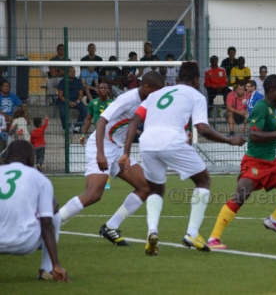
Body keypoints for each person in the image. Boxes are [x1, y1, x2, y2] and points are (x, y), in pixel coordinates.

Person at [118, 62, 246, 254]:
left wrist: (126, 153)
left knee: (156, 189)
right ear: (196, 80)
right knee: (203, 180)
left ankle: (152, 231)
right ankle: (192, 233)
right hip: (172, 141)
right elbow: (202, 128)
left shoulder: (156, 94)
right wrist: (229, 140)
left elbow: (135, 120)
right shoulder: (196, 95)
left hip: (147, 143)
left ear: (177, 79)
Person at [58, 71, 165, 247]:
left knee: (146, 186)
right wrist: (100, 153)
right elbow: (101, 121)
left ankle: (111, 226)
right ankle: (49, 225)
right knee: (93, 194)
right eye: (156, 90)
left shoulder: (149, 101)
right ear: (146, 87)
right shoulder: (128, 99)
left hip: (116, 148)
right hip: (100, 145)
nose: (158, 94)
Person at [207, 74, 276, 249]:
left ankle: (275, 220)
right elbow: (254, 135)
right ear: (272, 91)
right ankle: (213, 238)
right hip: (254, 163)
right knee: (240, 196)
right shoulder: (260, 107)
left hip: (272, 163)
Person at [0, 140, 69, 282]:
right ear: (31, 159)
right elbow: (46, 222)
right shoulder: (39, 178)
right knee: (52, 206)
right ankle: (49, 268)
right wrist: (58, 264)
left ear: (6, 157)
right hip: (25, 242)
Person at [57, 66, 87, 132]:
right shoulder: (62, 81)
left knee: (85, 109)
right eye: (70, 72)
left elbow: (81, 94)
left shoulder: (78, 81)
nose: (72, 73)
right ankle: (67, 127)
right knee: (62, 112)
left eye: (73, 72)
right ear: (67, 73)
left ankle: (77, 127)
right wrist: (68, 102)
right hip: (64, 101)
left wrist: (77, 102)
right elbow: (60, 95)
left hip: (76, 100)